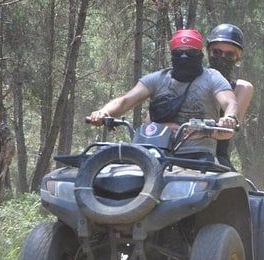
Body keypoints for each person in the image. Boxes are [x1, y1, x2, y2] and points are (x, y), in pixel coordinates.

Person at [89, 29, 239, 161]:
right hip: (154, 151)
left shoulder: (212, 77)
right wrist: (104, 112)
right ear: (172, 54)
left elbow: (230, 102)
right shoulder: (157, 78)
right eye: (178, 53)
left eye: (190, 53)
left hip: (197, 154)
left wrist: (229, 117)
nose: (184, 57)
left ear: (200, 54)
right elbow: (124, 101)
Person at [206, 23, 253, 170]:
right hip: (179, 151)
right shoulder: (192, 81)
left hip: (216, 157)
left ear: (238, 57)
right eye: (217, 52)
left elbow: (229, 132)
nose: (222, 57)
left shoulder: (242, 88)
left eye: (229, 54)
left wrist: (228, 122)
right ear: (208, 52)